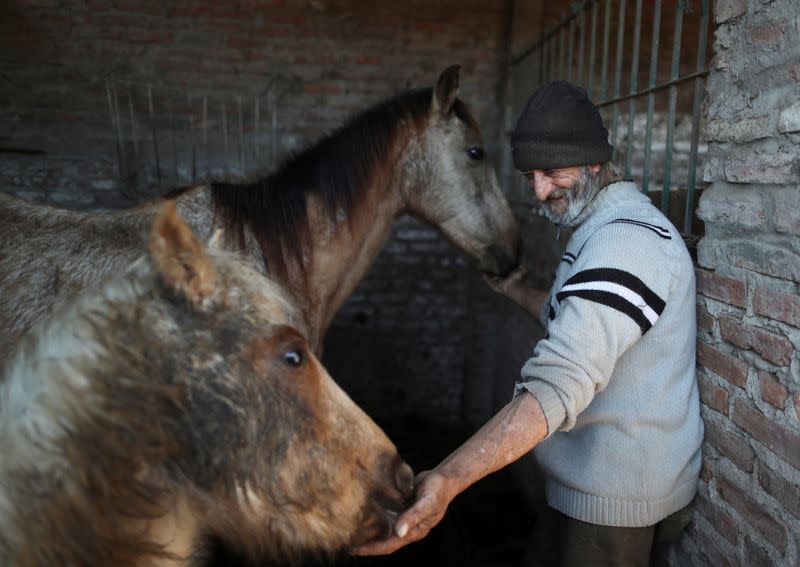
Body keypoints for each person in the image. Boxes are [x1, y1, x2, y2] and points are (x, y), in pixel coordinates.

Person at [352, 80, 703, 566]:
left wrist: (449, 479)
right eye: (530, 174)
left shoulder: (626, 245)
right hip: (587, 483)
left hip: (614, 506)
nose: (539, 190)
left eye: (553, 171)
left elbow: (556, 385)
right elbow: (573, 317)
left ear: (595, 161)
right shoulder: (600, 229)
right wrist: (513, 289)